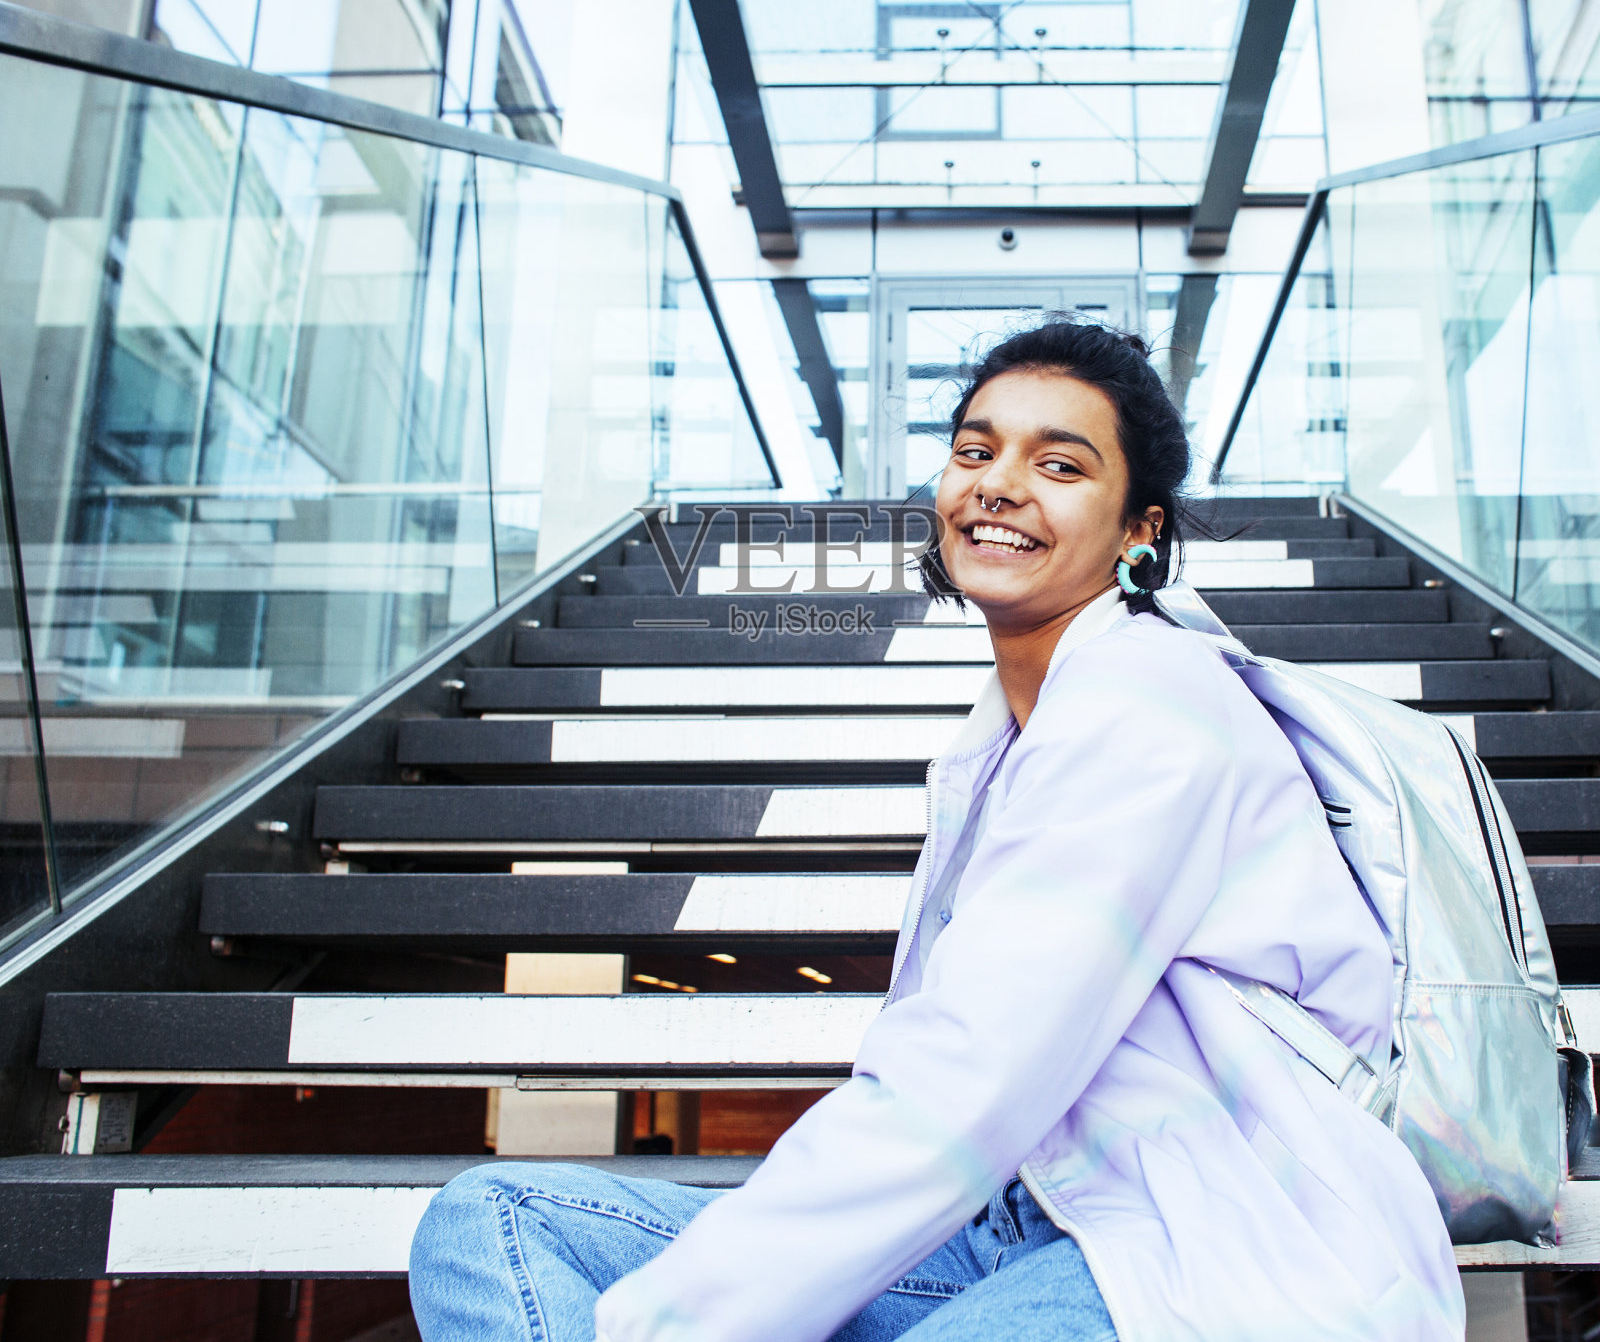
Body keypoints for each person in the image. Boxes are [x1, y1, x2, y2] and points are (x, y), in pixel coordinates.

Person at [409, 319, 1465, 1342]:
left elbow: (965, 1080)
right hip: (1021, 1225)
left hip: (1218, 1235)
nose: (997, 483)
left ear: (1139, 529)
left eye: (1060, 465)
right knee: (494, 1221)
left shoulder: (1150, 710)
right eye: (975, 449)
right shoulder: (1011, 729)